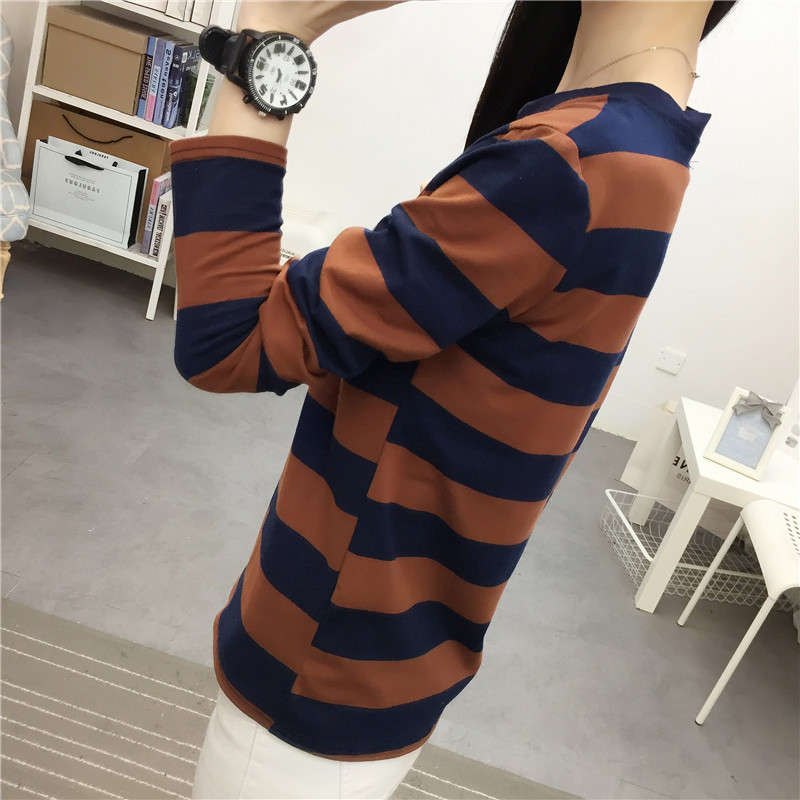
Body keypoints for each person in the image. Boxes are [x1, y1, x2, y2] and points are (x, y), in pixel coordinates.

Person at [169, 1, 738, 797]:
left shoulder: (574, 162)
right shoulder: (640, 141)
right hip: (392, 652)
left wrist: (272, 31)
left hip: (323, 670)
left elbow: (225, 340)